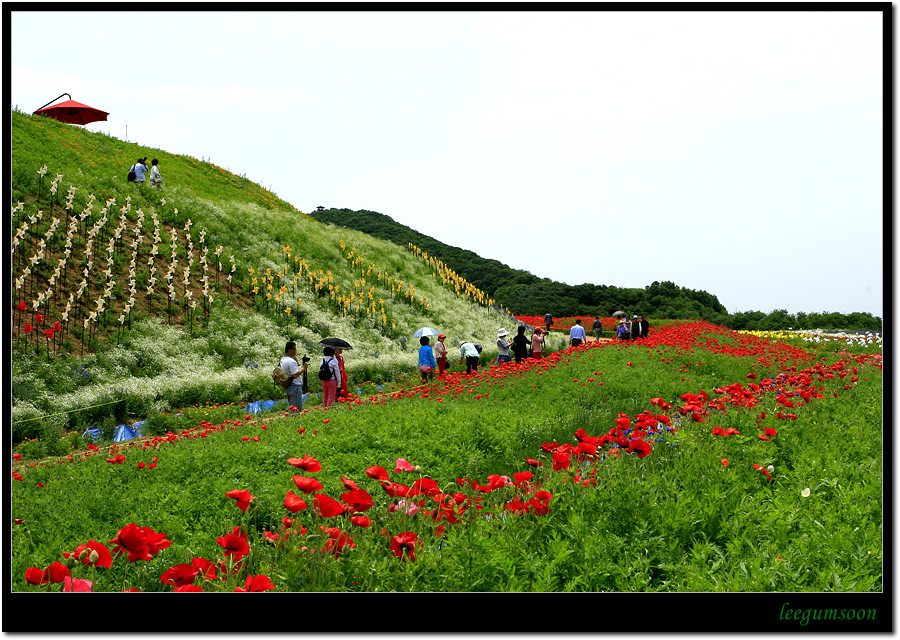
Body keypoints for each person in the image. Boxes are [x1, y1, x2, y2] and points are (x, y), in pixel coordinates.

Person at [280, 341, 309, 412]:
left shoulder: (283, 359)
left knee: (292, 406)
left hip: (289, 386)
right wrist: (304, 368)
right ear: (290, 350)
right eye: (294, 349)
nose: (295, 351)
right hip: (295, 386)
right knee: (295, 409)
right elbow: (295, 374)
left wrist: (295, 359)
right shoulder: (291, 361)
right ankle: (295, 421)